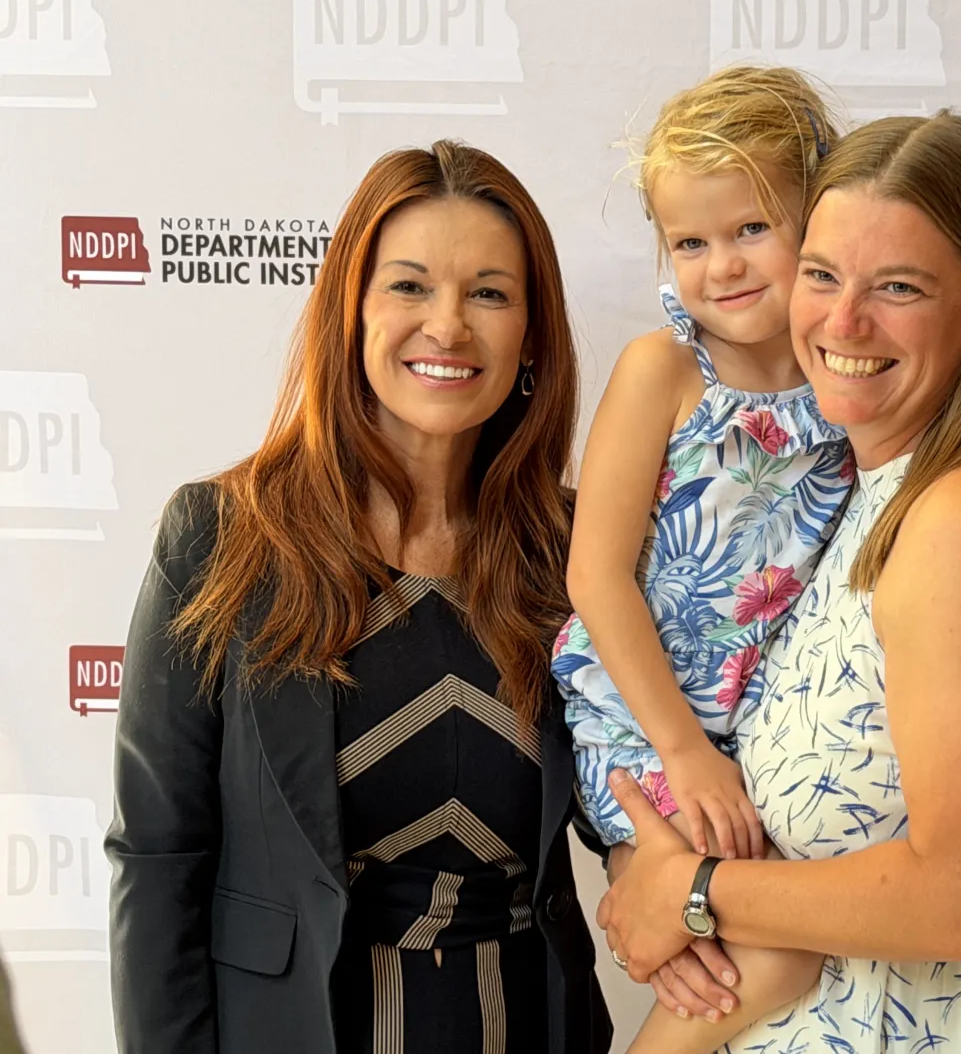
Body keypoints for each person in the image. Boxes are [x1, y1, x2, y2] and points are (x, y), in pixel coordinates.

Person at [597, 110, 961, 1052]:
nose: (843, 323)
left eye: (899, 287)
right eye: (822, 273)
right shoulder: (860, 480)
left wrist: (697, 893)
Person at [104, 140, 612, 1054]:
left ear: (533, 335)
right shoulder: (222, 537)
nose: (448, 326)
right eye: (409, 286)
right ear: (351, 310)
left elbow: (638, 805)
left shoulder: (580, 553)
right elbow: (158, 857)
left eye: (490, 293)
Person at [551, 65, 855, 1053]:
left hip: (759, 731)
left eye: (751, 229)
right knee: (773, 951)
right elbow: (595, 575)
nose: (720, 265)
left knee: (761, 944)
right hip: (646, 722)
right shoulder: (665, 371)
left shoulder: (851, 369)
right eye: (690, 242)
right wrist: (682, 753)